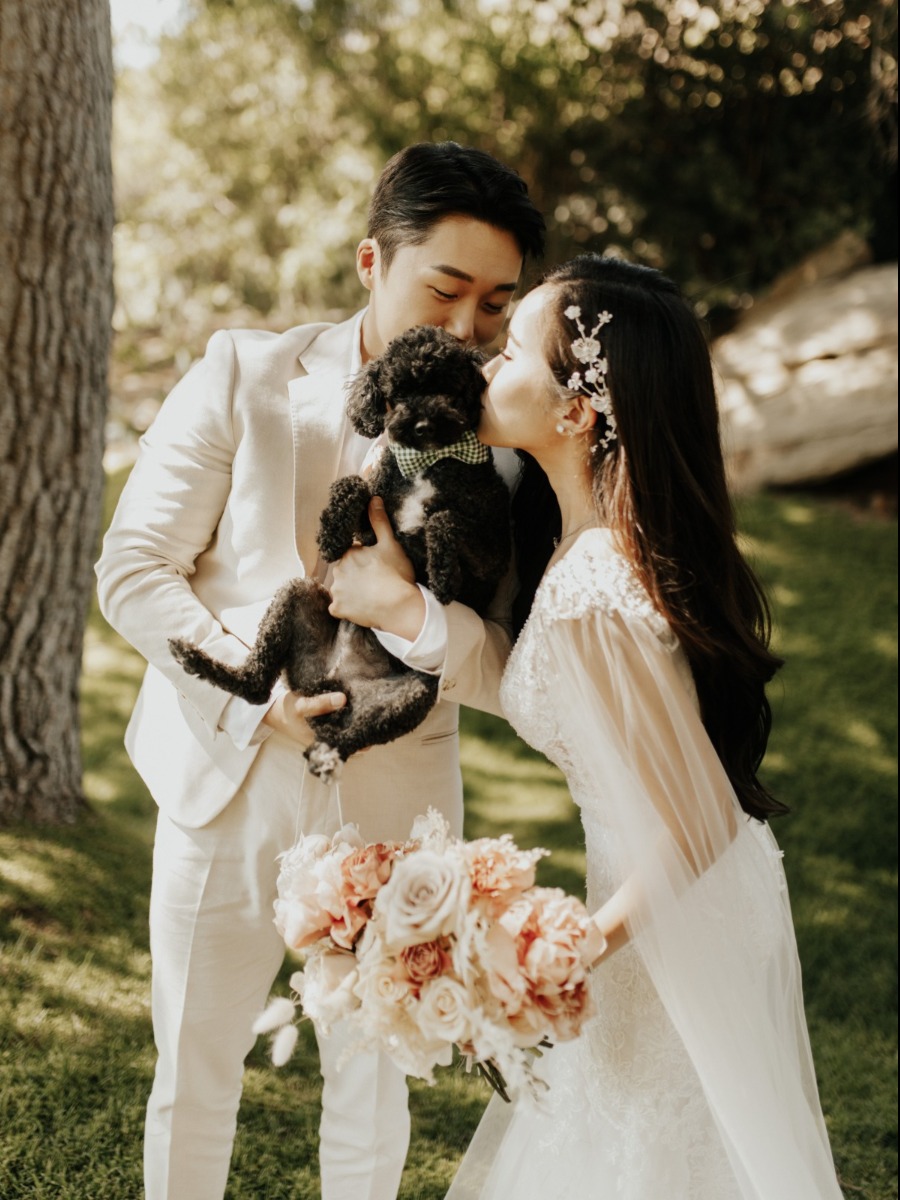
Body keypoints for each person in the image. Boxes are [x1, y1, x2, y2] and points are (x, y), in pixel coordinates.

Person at [94, 141, 545, 1200]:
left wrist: (417, 619)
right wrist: (258, 700)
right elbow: (134, 571)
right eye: (447, 287)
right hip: (225, 784)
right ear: (369, 262)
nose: (470, 327)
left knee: (373, 1096)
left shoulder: (508, 447)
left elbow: (513, 667)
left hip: (402, 814)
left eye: (497, 303)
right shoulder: (245, 373)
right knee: (194, 1079)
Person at [342, 254, 845, 1198]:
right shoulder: (589, 547)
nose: (486, 362)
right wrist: (400, 606)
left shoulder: (595, 583)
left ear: (578, 408)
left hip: (662, 902)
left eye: (516, 348)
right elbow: (563, 697)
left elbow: (698, 821)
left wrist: (557, 949)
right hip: (668, 894)